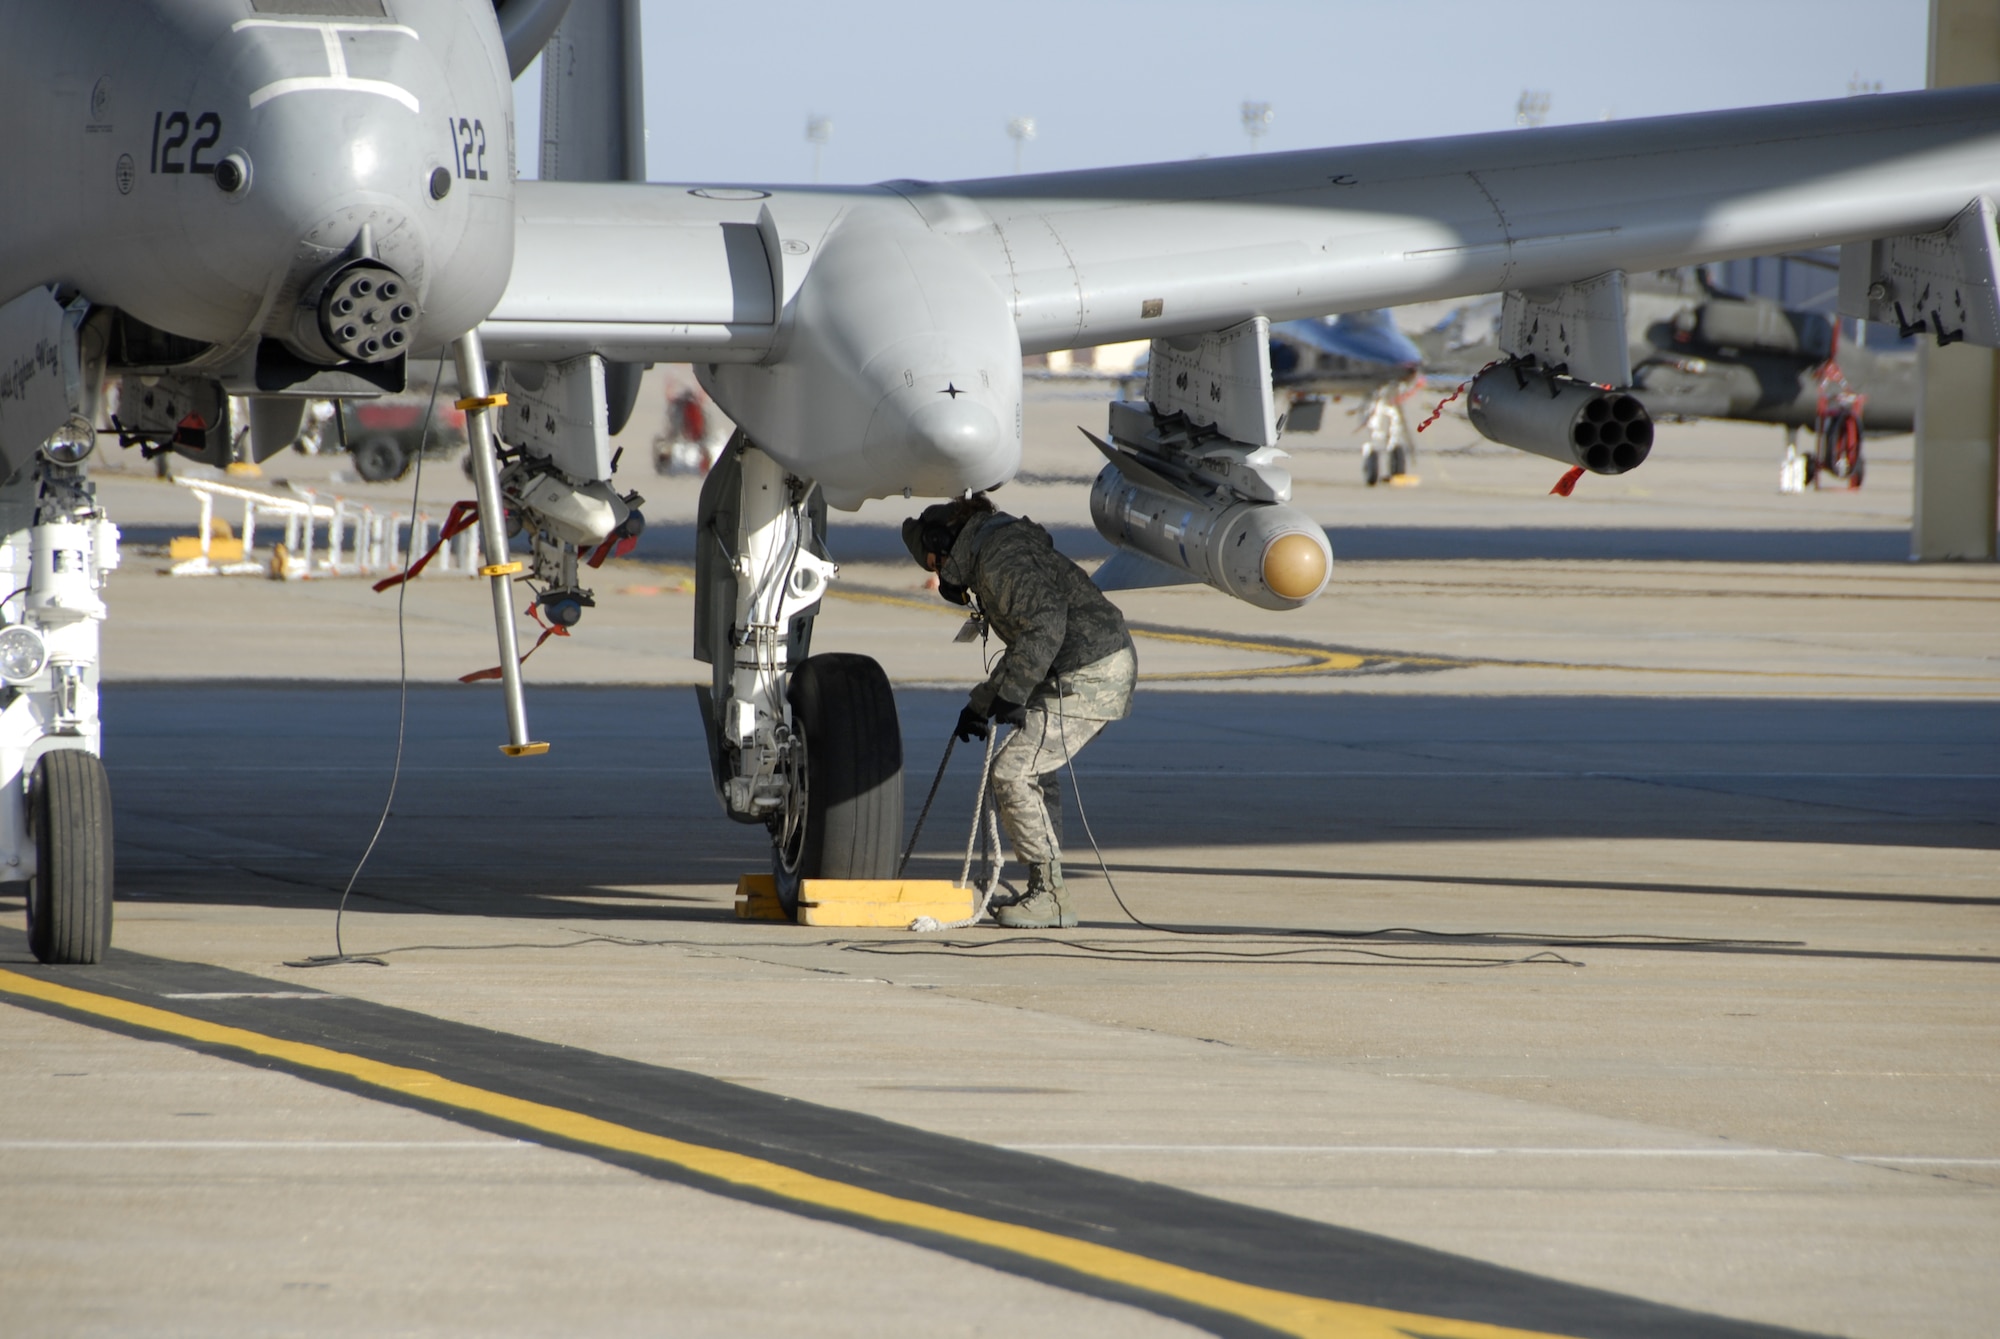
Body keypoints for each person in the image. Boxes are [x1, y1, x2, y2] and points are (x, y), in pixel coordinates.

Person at [901, 494, 1137, 929]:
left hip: (1091, 672)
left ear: (944, 544)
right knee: (1034, 771)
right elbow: (1031, 639)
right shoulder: (995, 548)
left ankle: (1050, 895)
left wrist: (1014, 693)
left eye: (933, 563)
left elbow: (1046, 624)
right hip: (1082, 664)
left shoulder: (999, 558)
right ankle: (1048, 887)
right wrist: (982, 703)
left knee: (1011, 772)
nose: (937, 575)